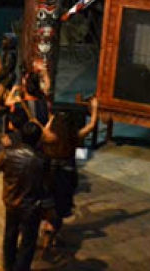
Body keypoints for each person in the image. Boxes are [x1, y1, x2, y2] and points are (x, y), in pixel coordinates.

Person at [39, 97, 98, 249]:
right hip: (66, 176)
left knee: (48, 204)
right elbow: (91, 125)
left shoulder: (49, 137)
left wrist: (52, 117)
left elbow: (45, 128)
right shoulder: (73, 137)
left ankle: (45, 227)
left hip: (49, 176)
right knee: (60, 207)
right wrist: (95, 109)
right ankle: (51, 237)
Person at [0, 122, 46, 271]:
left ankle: (8, 266)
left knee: (10, 236)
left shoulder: (9, 153)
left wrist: (5, 148)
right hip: (31, 206)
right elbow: (46, 184)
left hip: (11, 202)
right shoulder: (41, 160)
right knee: (27, 242)